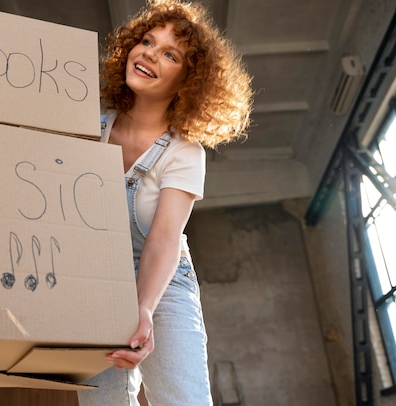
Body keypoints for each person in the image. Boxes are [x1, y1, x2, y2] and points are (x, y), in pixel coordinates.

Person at [77, 0, 252, 405]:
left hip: (163, 280)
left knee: (183, 399)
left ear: (189, 82)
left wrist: (143, 310)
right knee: (104, 400)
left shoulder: (184, 151)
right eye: (147, 41)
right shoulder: (89, 122)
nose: (149, 54)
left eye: (169, 54)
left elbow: (163, 239)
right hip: (97, 277)